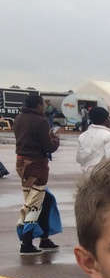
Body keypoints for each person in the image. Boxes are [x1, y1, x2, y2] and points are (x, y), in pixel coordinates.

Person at [13, 93, 60, 254]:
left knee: (45, 201)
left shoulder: (19, 118)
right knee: (34, 203)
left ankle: (44, 238)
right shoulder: (41, 121)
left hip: (22, 165)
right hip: (36, 167)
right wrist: (55, 139)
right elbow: (49, 147)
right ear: (39, 105)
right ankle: (26, 242)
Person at [75, 105, 110, 175]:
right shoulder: (108, 136)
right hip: (101, 176)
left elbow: (78, 159)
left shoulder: (82, 136)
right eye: (108, 118)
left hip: (85, 175)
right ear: (105, 121)